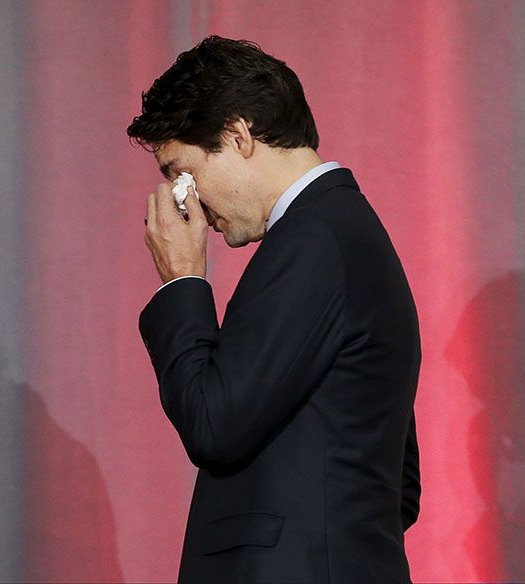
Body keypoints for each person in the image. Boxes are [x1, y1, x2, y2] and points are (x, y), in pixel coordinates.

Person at [127, 35, 422, 583]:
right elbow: (396, 483)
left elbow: (213, 423)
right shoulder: (338, 231)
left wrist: (183, 281)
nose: (182, 202)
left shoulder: (315, 239)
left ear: (237, 136)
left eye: (180, 173)